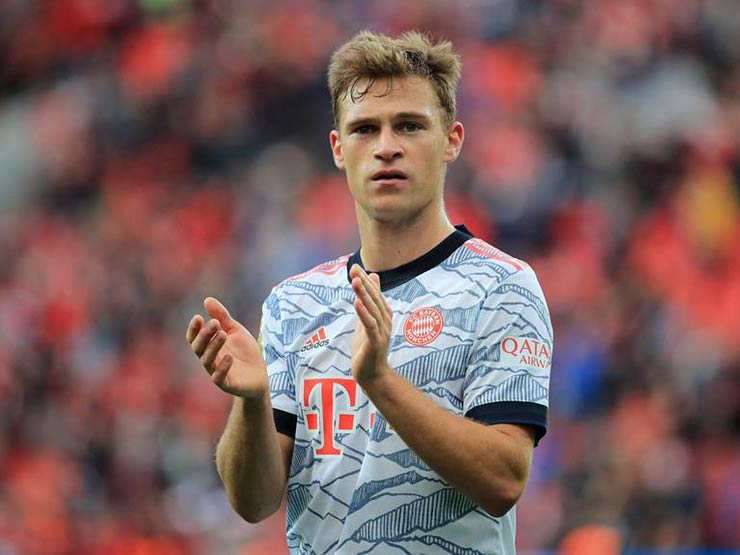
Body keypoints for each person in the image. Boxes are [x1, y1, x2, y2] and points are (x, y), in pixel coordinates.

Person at [186, 30, 552, 555]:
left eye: (409, 125)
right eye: (364, 129)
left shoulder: (502, 287)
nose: (386, 147)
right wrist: (252, 401)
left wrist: (381, 381)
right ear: (339, 148)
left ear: (451, 140)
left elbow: (504, 481)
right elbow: (254, 501)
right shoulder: (294, 304)